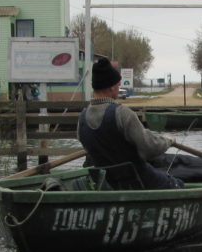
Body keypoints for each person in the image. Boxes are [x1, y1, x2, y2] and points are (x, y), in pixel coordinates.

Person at [77, 57, 184, 189]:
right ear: (112, 87)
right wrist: (168, 140)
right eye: (118, 85)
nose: (119, 88)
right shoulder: (122, 113)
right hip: (139, 182)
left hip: (107, 183)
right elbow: (150, 148)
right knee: (178, 184)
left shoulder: (82, 119)